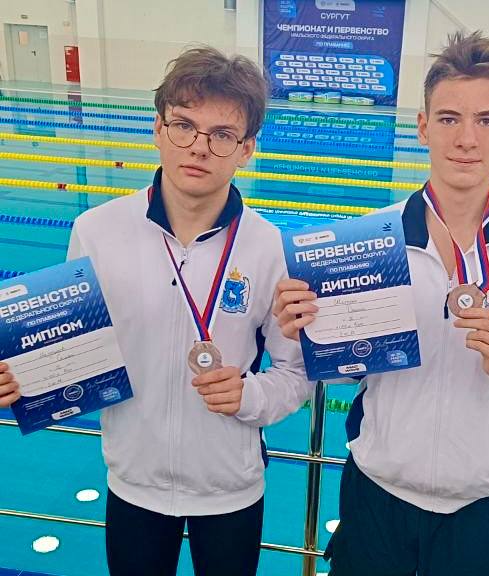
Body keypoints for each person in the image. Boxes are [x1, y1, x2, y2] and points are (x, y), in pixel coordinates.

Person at [0, 47, 314, 576]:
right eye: (184, 125)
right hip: (134, 485)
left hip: (230, 490)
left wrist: (250, 396)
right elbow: (67, 354)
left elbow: (296, 373)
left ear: (246, 150)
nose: (199, 147)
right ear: (157, 129)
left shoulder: (270, 248)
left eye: (222, 135)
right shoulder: (96, 232)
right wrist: (21, 380)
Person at [274, 31, 489, 576]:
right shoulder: (370, 241)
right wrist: (312, 334)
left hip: (480, 504)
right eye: (449, 118)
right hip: (376, 493)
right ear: (422, 126)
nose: (466, 138)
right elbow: (343, 375)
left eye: (486, 120)